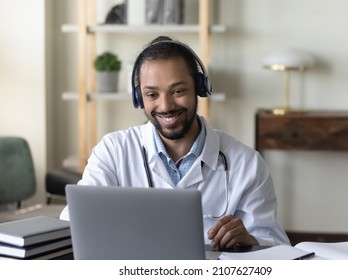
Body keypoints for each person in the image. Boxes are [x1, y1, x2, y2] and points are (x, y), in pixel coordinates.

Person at [60, 36, 290, 249]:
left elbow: (278, 248)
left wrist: (250, 241)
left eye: (178, 91)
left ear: (199, 88)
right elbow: (74, 224)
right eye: (152, 94)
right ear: (139, 97)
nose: (166, 106)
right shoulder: (112, 151)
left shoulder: (247, 163)